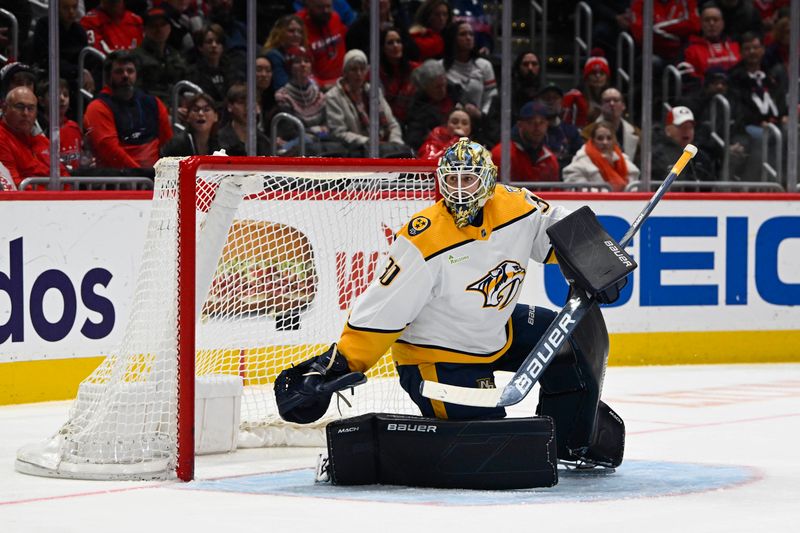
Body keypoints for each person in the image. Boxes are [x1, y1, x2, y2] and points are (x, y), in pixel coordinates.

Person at [274, 137, 625, 471]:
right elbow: (381, 311)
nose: (459, 189)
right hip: (438, 358)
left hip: (495, 329)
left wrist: (599, 259)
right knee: (495, 447)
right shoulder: (423, 240)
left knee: (574, 340)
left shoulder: (517, 206)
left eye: (468, 180)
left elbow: (558, 227)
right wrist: (338, 364)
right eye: (451, 179)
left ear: (487, 182)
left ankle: (571, 440)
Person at [83, 50, 173, 169]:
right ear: (108, 77)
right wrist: (143, 177)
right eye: (119, 72)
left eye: (130, 71)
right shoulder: (97, 108)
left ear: (136, 75)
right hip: (117, 181)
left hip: (153, 178)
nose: (125, 75)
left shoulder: (154, 103)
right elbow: (111, 152)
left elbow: (168, 144)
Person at [325, 49, 411, 157]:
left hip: (385, 149)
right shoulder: (333, 96)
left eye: (362, 69)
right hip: (356, 152)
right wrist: (370, 143)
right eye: (353, 69)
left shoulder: (374, 91)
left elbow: (392, 124)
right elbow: (338, 133)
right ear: (345, 72)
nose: (359, 74)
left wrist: (395, 143)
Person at [273, 46, 343, 156]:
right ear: (290, 67)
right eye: (297, 62)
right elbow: (290, 132)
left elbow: (328, 126)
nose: (303, 65)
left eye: (306, 61)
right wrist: (317, 130)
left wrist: (311, 131)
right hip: (299, 144)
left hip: (319, 142)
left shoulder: (318, 93)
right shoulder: (283, 96)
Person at [0, 86, 69, 187]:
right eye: (20, 107)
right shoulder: (2, 138)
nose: (26, 113)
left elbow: (65, 178)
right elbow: (13, 186)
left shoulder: (42, 141)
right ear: (5, 108)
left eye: (31, 108)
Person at [441, 20, 497, 125]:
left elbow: (491, 96)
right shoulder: (441, 67)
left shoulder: (484, 65)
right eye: (463, 34)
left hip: (479, 123)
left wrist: (481, 115)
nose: (468, 38)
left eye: (471, 34)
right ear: (452, 38)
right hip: (448, 123)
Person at [132, 7, 189, 106]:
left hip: (177, 107)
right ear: (145, 29)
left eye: (163, 25)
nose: (159, 29)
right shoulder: (135, 57)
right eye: (153, 26)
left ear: (170, 28)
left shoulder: (176, 55)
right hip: (150, 109)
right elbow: (137, 93)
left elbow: (185, 86)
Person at [404, 59, 465, 151]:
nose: (442, 90)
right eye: (437, 87)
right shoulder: (417, 107)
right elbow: (414, 139)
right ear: (426, 87)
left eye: (443, 85)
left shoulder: (455, 92)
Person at [491, 101, 560, 183]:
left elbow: (555, 193)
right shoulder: (501, 154)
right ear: (520, 125)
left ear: (547, 125)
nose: (537, 127)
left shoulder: (550, 160)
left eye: (541, 122)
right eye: (531, 122)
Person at [563, 121, 639, 191]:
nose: (605, 142)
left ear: (614, 140)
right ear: (592, 140)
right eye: (600, 138)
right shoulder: (580, 163)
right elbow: (578, 191)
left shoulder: (625, 161)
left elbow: (634, 188)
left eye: (609, 138)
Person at [652, 105, 717, 181]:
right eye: (681, 127)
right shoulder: (657, 156)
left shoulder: (701, 156)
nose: (686, 131)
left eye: (690, 127)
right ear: (668, 130)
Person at [682, 4, 741, 82]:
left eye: (715, 20)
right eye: (707, 20)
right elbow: (690, 80)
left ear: (722, 24)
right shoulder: (690, 49)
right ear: (701, 24)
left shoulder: (735, 46)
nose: (711, 24)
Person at [298, 0, 348, 90]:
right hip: (318, 90)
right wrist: (322, 85)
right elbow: (299, 70)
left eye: (328, 7)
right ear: (308, 6)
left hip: (343, 83)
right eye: (320, 7)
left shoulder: (335, 18)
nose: (326, 11)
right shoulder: (298, 27)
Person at [36, 79, 83, 172]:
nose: (62, 98)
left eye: (65, 95)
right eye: (55, 94)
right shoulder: (37, 129)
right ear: (41, 101)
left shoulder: (74, 127)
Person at [378, 27, 420, 124]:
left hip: (414, 120)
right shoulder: (376, 73)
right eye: (390, 43)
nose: (395, 46)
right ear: (383, 48)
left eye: (398, 41)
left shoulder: (416, 69)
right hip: (388, 122)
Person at [187, 24, 236, 104]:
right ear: (200, 47)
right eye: (209, 42)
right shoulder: (192, 73)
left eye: (218, 42)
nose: (214, 45)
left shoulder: (232, 70)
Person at [217, 83, 270, 156]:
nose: (247, 108)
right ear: (230, 106)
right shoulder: (218, 140)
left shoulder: (264, 142)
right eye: (241, 103)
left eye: (252, 103)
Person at [161, 92, 221, 156]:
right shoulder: (176, 144)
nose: (200, 113)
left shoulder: (223, 143)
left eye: (206, 110)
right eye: (195, 110)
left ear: (216, 117)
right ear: (188, 117)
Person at [588, 87, 640, 160]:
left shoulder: (636, 132)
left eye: (616, 100)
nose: (612, 104)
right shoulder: (587, 132)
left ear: (623, 106)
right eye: (607, 101)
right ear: (601, 106)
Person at [562, 54, 612, 127]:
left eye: (602, 73)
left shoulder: (612, 98)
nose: (598, 76)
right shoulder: (574, 96)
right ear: (586, 77)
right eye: (593, 73)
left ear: (607, 78)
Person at [262, 14, 308, 92]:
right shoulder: (273, 55)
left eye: (299, 32)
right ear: (279, 33)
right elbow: (282, 87)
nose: (296, 35)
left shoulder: (301, 53)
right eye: (291, 31)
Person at [511, 50, 541, 122]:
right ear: (518, 67)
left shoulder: (544, 94)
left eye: (534, 64)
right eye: (525, 64)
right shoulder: (506, 95)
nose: (530, 68)